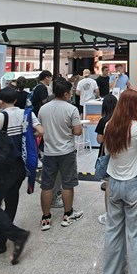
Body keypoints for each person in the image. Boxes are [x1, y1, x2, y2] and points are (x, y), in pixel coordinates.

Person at [0, 87, 42, 264]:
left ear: (0, 102)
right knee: (11, 201)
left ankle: (18, 235)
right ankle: (0, 242)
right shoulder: (27, 114)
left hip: (4, 167)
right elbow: (41, 131)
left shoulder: (0, 117)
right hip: (20, 166)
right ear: (16, 100)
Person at [102, 89, 137, 274]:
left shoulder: (109, 125)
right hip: (134, 184)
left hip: (113, 183)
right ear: (131, 105)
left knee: (113, 231)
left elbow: (107, 152)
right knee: (136, 234)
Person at [38, 80, 83, 231]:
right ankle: (67, 215)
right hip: (67, 152)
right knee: (67, 184)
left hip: (49, 151)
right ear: (65, 94)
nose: (71, 95)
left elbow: (40, 129)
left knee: (47, 185)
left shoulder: (43, 109)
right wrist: (68, 130)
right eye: (70, 92)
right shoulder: (71, 109)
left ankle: (46, 218)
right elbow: (78, 131)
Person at [95, 94, 117, 225]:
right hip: (119, 154)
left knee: (108, 183)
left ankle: (109, 213)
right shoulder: (120, 119)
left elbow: (99, 140)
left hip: (106, 154)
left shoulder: (103, 121)